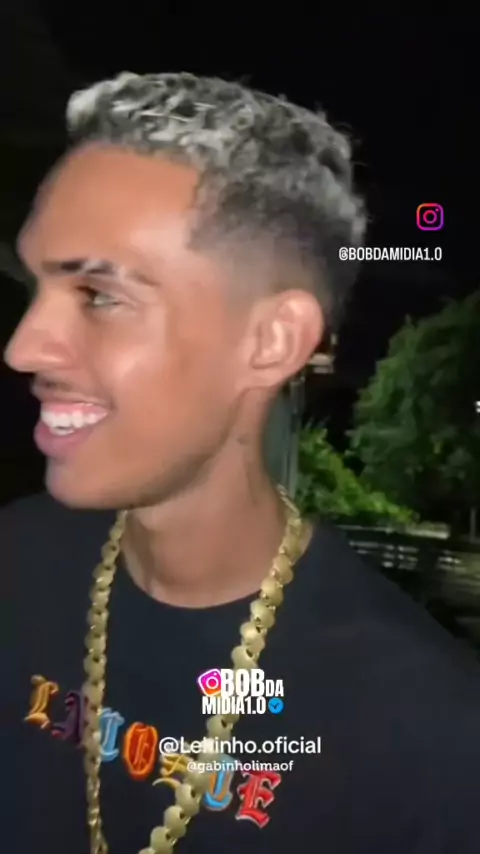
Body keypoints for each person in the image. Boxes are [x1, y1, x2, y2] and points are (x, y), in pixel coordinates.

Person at [2, 72, 480, 854]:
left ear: (270, 343)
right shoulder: (15, 562)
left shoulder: (431, 740)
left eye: (99, 296)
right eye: (37, 286)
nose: (24, 347)